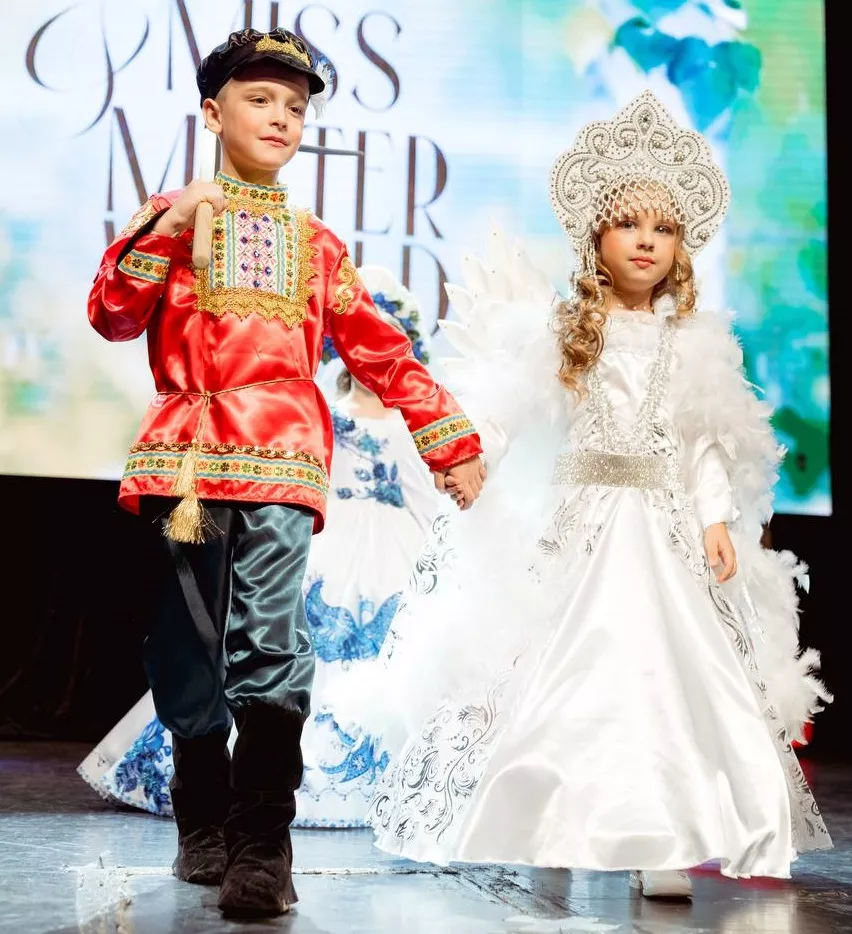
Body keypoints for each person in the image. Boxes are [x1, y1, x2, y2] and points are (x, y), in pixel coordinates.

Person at [355, 91, 833, 899]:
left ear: (681, 247)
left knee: (663, 678)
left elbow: (703, 440)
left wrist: (715, 517)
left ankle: (663, 839)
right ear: (594, 237)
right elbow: (509, 410)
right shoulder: (563, 330)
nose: (646, 241)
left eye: (665, 228)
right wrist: (470, 457)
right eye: (628, 224)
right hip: (578, 530)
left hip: (664, 533)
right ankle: (550, 822)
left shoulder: (693, 341)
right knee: (564, 674)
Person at [86, 27, 484, 919]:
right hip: (187, 461)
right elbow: (112, 316)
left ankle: (263, 844)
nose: (280, 117)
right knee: (185, 650)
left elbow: (382, 353)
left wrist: (448, 440)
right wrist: (170, 227)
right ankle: (201, 814)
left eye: (295, 107)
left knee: (269, 643)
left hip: (282, 461)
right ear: (212, 112)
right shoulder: (173, 218)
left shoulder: (317, 245)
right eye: (259, 99)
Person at [79, 266, 446, 829]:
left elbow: (422, 496)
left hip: (391, 544)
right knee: (258, 635)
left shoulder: (403, 424)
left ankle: (285, 803)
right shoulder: (323, 411)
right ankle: (222, 793)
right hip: (321, 532)